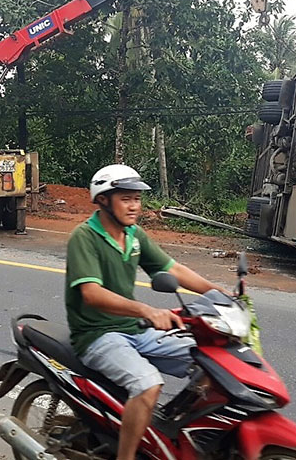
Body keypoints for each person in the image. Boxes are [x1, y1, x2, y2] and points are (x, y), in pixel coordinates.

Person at [66, 164, 223, 460]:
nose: (134, 206)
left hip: (133, 329)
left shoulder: (134, 235)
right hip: (97, 335)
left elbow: (171, 269)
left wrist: (217, 292)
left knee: (215, 364)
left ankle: (165, 432)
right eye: (126, 199)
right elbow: (91, 293)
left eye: (137, 199)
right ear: (103, 199)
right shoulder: (84, 237)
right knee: (148, 384)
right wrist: (146, 309)